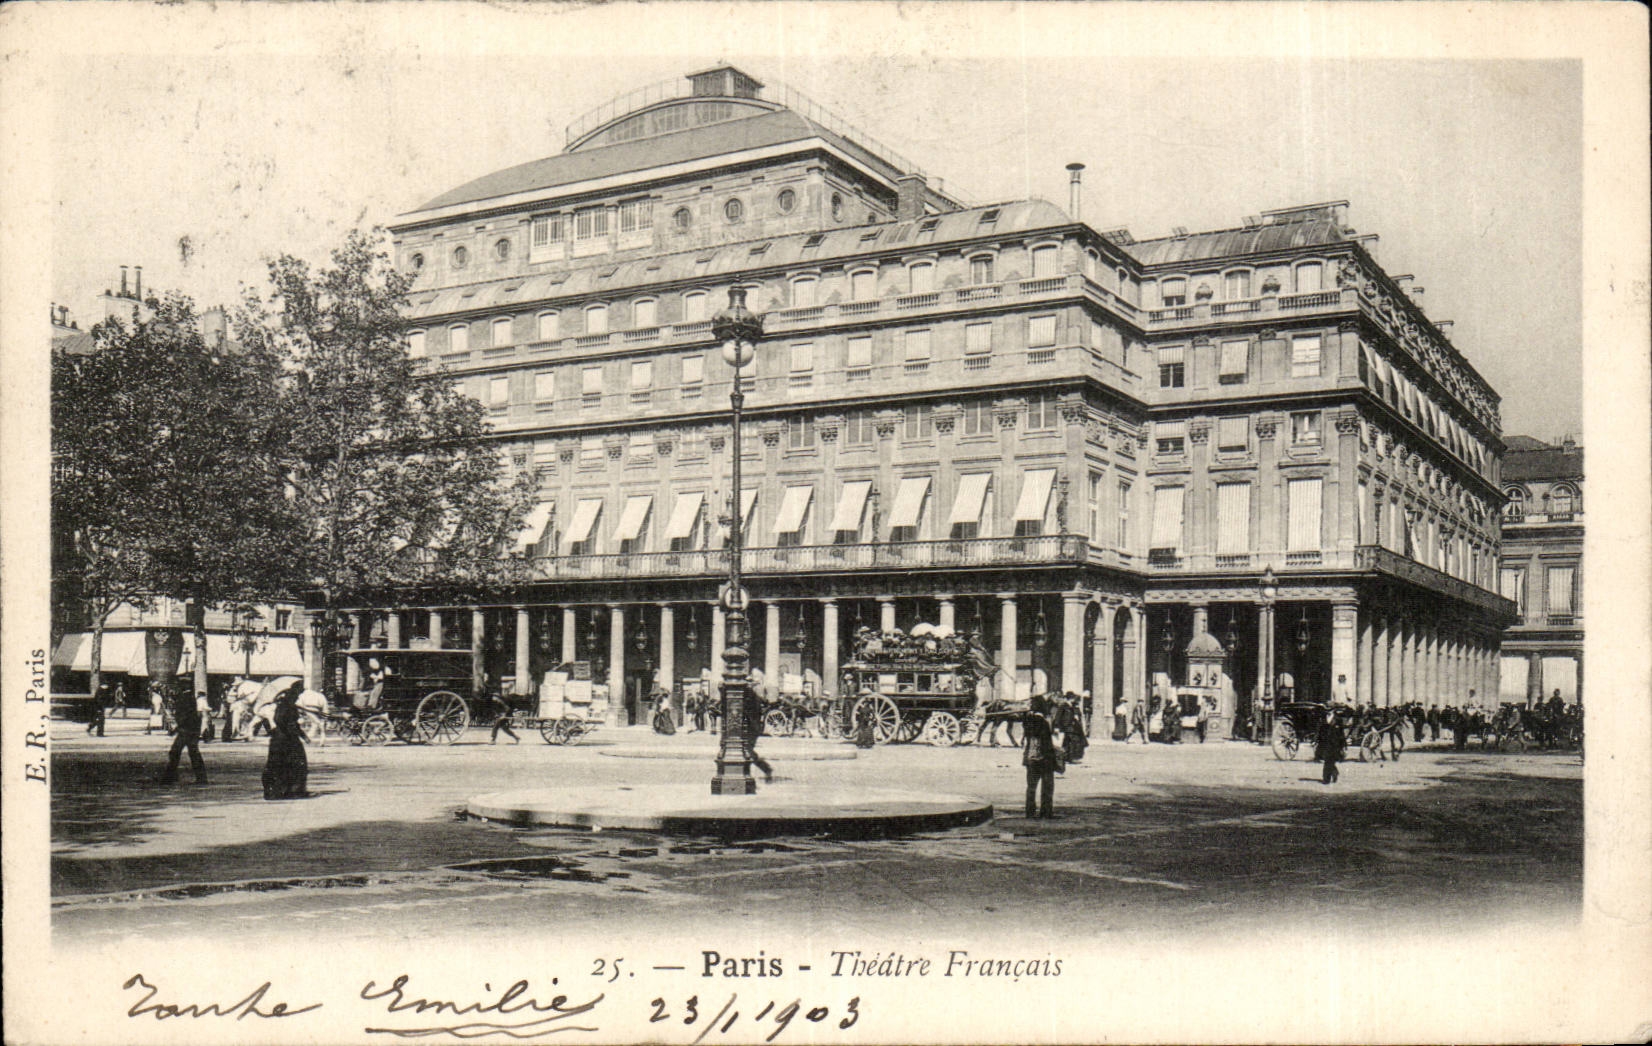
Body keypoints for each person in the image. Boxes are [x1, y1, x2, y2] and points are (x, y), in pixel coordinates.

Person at [262, 683, 309, 800]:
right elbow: (280, 720)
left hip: (282, 738)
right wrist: (292, 729)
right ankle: (291, 790)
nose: (298, 698)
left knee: (279, 764)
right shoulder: (286, 706)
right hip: (285, 739)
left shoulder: (286, 704)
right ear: (293, 694)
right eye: (298, 695)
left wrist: (303, 735)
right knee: (293, 763)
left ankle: (281, 790)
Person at [160, 688, 208, 785]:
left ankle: (170, 777)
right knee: (193, 753)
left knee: (175, 752)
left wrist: (176, 727)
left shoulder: (184, 699)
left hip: (186, 731)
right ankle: (201, 778)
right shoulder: (191, 699)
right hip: (192, 730)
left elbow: (184, 717)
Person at [1021, 694, 1057, 819]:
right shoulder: (1043, 722)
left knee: (1031, 787)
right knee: (1047, 787)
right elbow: (1046, 742)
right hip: (1043, 759)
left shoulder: (1028, 721)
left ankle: (1030, 811)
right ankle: (1046, 812)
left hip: (1030, 758)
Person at [1319, 709, 1346, 785]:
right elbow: (1320, 730)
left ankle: (1326, 779)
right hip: (1325, 742)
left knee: (1329, 760)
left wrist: (1343, 745)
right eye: (1327, 709)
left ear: (1333, 710)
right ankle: (1334, 772)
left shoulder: (1338, 719)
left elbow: (1341, 733)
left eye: (1329, 709)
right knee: (1328, 760)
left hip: (1335, 744)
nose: (1328, 711)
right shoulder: (1323, 718)